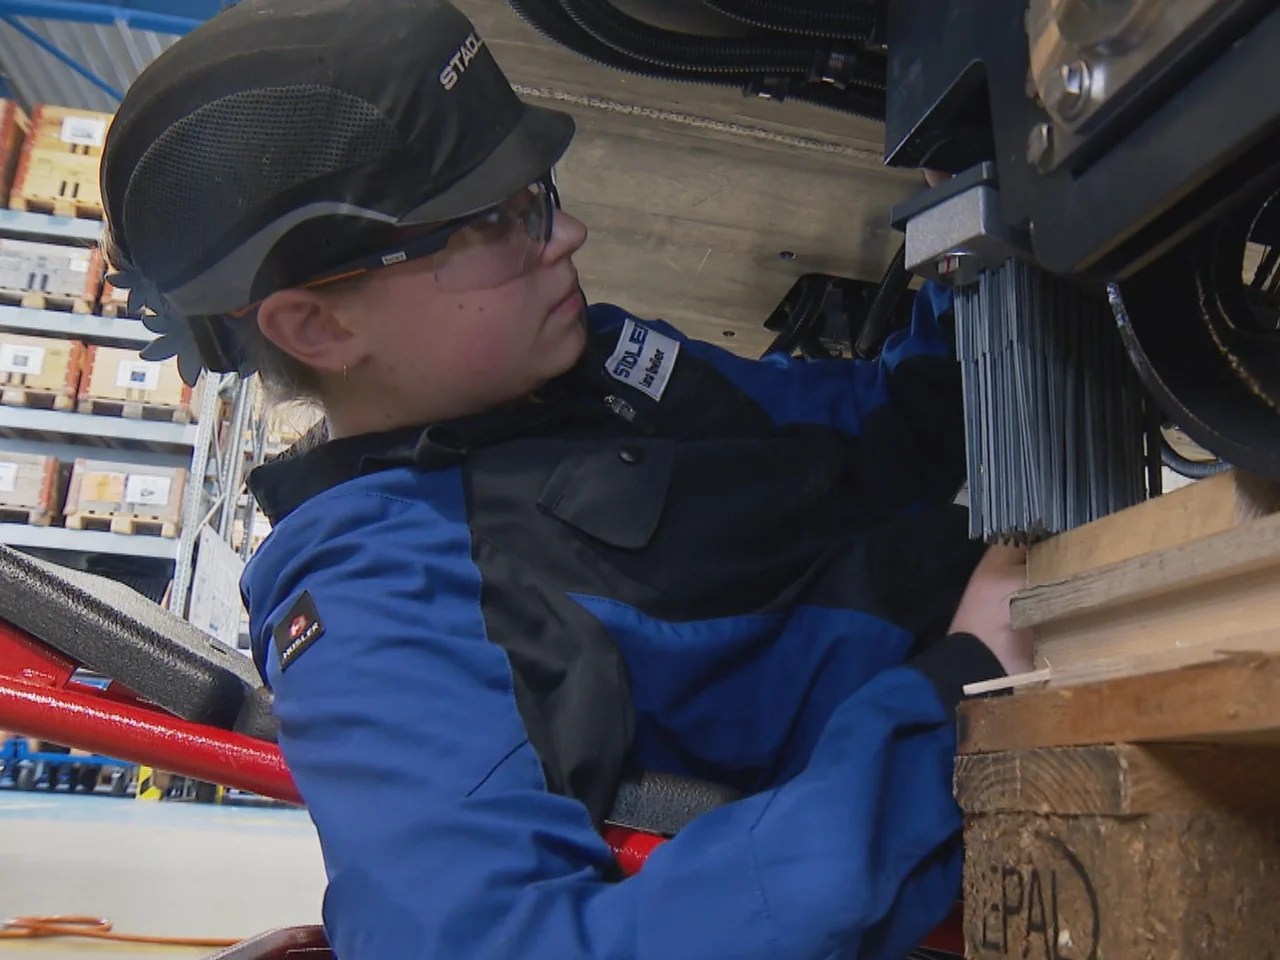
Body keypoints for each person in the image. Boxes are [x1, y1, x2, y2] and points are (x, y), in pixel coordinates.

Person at [99, 1, 1031, 957]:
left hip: (1019, 611)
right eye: (494, 222)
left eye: (534, 193)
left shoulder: (572, 361)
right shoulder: (378, 614)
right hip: (994, 764)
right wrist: (952, 703)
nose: (566, 233)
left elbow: (877, 438)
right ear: (319, 326)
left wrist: (966, 225)